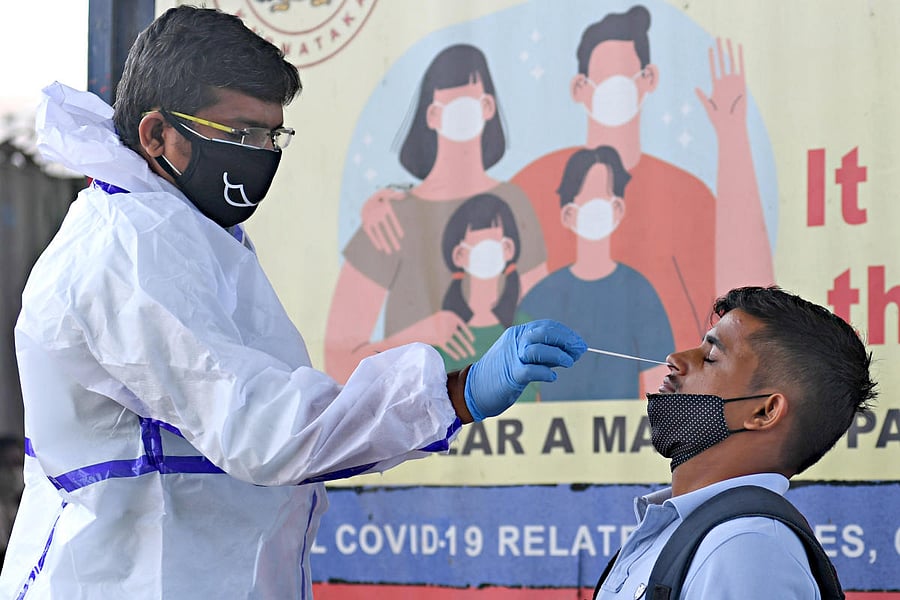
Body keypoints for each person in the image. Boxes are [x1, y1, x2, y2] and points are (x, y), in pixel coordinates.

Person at [0, 7, 586, 599]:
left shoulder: (187, 235)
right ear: (156, 136)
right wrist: (454, 393)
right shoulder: (128, 249)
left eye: (270, 136)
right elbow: (264, 429)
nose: (258, 155)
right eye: (239, 135)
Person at [595, 285, 876, 598]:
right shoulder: (690, 531)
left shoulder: (746, 547)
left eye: (711, 356)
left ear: (764, 411)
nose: (674, 359)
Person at [325, 43, 547, 383]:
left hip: (511, 425)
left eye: (471, 101)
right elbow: (339, 359)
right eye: (450, 103)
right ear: (431, 115)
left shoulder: (514, 206)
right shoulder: (390, 216)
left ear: (488, 107)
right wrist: (418, 337)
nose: (463, 112)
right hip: (414, 420)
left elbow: (544, 326)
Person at [517, 146, 673, 400]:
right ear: (568, 213)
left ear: (619, 210)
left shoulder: (639, 292)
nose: (599, 208)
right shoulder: (539, 298)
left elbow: (660, 379)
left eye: (608, 198)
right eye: (590, 198)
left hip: (625, 435)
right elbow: (520, 388)